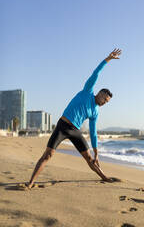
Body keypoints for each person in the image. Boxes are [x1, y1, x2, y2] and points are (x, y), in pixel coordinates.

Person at [28, 48, 122, 188]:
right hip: (62, 126)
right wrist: (108, 59)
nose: (104, 103)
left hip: (75, 131)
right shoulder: (87, 91)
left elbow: (93, 132)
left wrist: (96, 153)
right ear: (100, 94)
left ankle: (104, 177)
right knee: (47, 155)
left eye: (106, 102)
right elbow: (96, 73)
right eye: (104, 99)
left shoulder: (95, 112)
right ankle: (30, 182)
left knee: (90, 159)